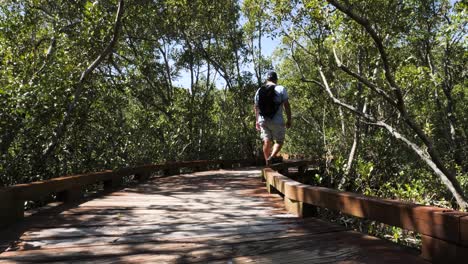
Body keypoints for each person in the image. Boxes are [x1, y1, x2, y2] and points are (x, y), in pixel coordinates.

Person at [254, 71, 292, 166]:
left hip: (263, 120)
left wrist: (257, 120)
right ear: (276, 79)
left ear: (267, 79)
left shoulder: (259, 90)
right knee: (279, 141)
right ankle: (271, 157)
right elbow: (286, 105)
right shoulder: (280, 88)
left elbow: (256, 106)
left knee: (266, 141)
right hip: (277, 120)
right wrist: (289, 119)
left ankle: (267, 162)